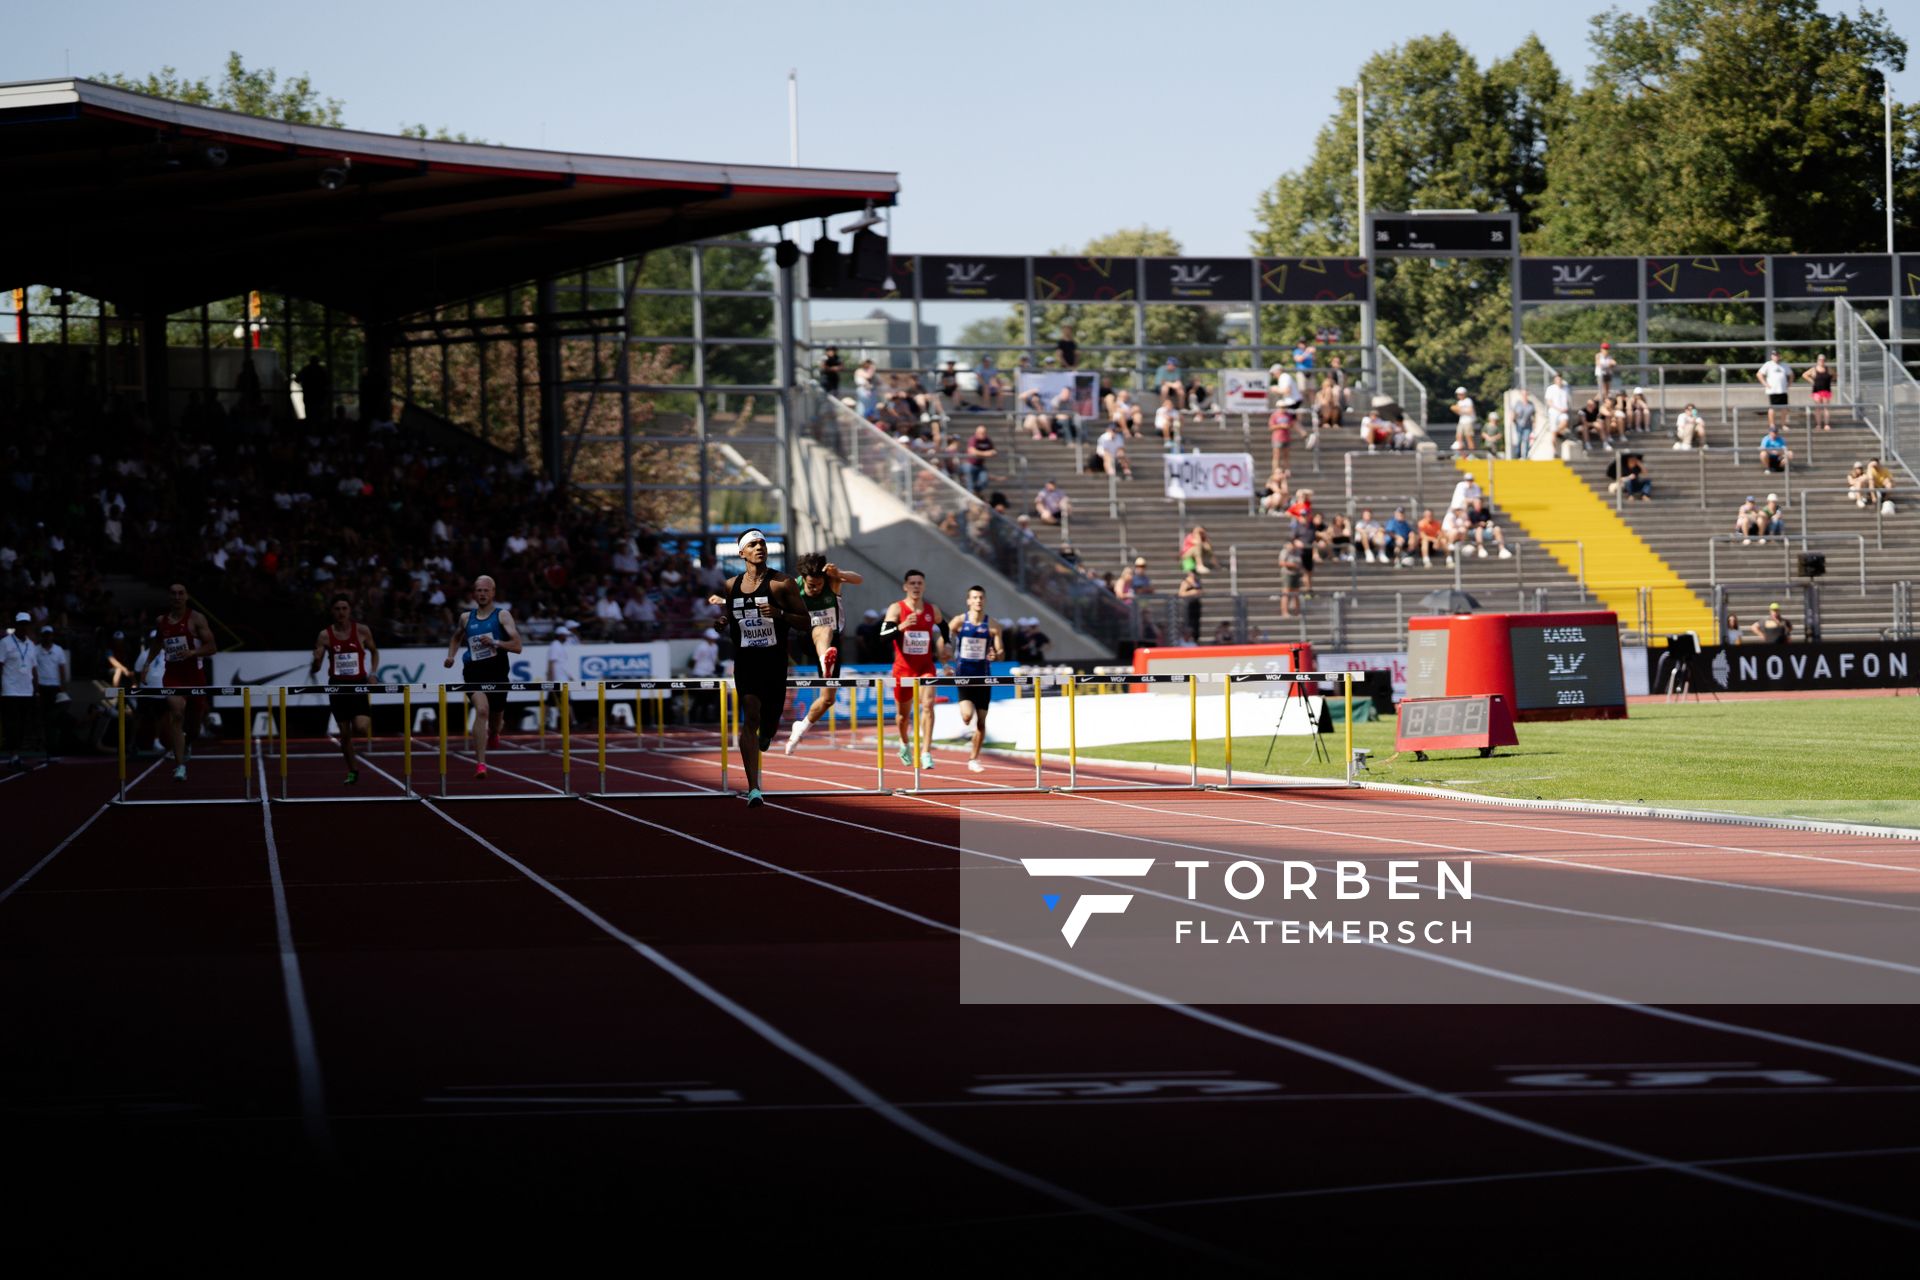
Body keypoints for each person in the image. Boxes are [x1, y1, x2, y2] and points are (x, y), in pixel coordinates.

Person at [705, 529, 807, 805]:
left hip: (774, 661)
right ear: (742, 553)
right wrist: (723, 622)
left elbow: (806, 621)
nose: (759, 547)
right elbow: (734, 612)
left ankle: (768, 734)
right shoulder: (730, 585)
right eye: (753, 544)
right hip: (746, 660)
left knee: (770, 721)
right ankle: (753, 788)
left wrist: (781, 614)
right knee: (750, 715)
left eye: (762, 542)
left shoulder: (781, 583)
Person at [442, 575, 522, 779]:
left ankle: (494, 733)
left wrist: (496, 643)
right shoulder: (466, 618)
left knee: (495, 720)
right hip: (474, 672)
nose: (483, 593)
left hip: (498, 672)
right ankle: (480, 763)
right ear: (474, 594)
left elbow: (517, 646)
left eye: (486, 590)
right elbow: (456, 637)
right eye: (479, 590)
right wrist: (451, 656)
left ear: (493, 593)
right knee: (482, 710)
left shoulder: (502, 615)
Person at [784, 553, 864, 754]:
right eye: (812, 585)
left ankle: (800, 727)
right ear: (804, 579)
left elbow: (859, 579)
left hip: (832, 646)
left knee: (828, 699)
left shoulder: (832, 581)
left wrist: (840, 573)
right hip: (806, 638)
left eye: (819, 585)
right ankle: (824, 661)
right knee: (823, 629)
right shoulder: (794, 586)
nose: (816, 589)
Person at [309, 593, 379, 784]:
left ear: (350, 610)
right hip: (338, 688)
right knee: (344, 734)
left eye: (344, 608)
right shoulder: (325, 635)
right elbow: (316, 668)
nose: (341, 612)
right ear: (332, 611)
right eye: (337, 609)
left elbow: (374, 652)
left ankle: (352, 753)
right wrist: (315, 660)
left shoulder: (362, 631)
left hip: (358, 686)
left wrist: (373, 673)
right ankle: (353, 770)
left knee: (362, 728)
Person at [151, 583, 216, 782]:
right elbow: (157, 642)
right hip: (173, 676)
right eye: (173, 594)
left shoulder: (197, 619)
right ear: (169, 598)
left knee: (194, 727)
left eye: (181, 594)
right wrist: (146, 664)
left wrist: (193, 652)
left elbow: (212, 647)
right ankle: (180, 766)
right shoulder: (161, 621)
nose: (177, 597)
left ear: (186, 597)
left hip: (194, 676)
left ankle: (188, 744)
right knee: (177, 714)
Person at [883, 568, 946, 770]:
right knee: (903, 716)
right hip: (903, 669)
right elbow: (883, 636)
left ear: (924, 586)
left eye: (919, 583)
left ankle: (926, 752)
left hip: (926, 667)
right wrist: (900, 627)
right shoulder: (896, 608)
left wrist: (948, 643)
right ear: (905, 586)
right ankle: (904, 743)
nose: (916, 587)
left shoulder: (932, 610)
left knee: (928, 705)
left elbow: (944, 628)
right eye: (912, 583)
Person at [946, 585, 1004, 774]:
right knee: (966, 716)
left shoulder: (993, 625)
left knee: (981, 722)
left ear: (984, 600)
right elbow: (944, 640)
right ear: (968, 601)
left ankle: (973, 758)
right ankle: (969, 734)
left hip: (983, 678)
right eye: (975, 597)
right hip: (963, 676)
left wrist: (996, 654)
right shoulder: (959, 622)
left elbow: (1001, 652)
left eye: (981, 597)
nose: (978, 600)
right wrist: (945, 660)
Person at [1, 612, 37, 769]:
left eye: (26, 624)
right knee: (11, 724)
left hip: (27, 691)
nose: (24, 627)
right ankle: (13, 755)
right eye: (21, 623)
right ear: (15, 625)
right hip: (10, 690)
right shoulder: (5, 642)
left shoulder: (32, 645)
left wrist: (37, 689)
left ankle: (16, 755)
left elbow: (34, 669)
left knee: (22, 725)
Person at [32, 625, 69, 761]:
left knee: (53, 719)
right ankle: (43, 746)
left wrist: (63, 688)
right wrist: (35, 689)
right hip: (41, 688)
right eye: (45, 635)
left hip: (55, 688)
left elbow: (62, 669)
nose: (48, 637)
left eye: (50, 635)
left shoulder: (58, 650)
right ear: (42, 636)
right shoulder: (35, 650)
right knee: (42, 718)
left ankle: (53, 747)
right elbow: (33, 669)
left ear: (53, 635)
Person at [544, 621, 578, 730]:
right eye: (565, 635)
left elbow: (561, 664)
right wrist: (551, 678)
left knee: (552, 702)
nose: (567, 637)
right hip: (558, 679)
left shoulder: (559, 646)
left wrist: (569, 675)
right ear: (560, 635)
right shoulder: (555, 646)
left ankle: (546, 722)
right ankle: (572, 722)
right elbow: (551, 662)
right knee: (565, 701)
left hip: (561, 678)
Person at [1756, 350, 1792, 430]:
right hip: (1773, 391)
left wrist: (1789, 384)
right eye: (1774, 355)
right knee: (1772, 408)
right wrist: (1765, 384)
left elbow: (1791, 374)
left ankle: (1783, 424)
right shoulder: (1768, 365)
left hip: (1782, 390)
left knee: (1784, 408)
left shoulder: (1784, 365)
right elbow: (1759, 374)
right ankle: (1772, 424)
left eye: (1777, 355)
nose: (1776, 357)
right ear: (1772, 356)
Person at [1800, 354, 1835, 430]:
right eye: (1820, 360)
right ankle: (1818, 424)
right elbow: (1804, 375)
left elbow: (1834, 375)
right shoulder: (1814, 369)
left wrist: (1829, 381)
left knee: (1826, 408)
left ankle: (1826, 424)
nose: (1822, 361)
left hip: (1826, 390)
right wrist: (1812, 381)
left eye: (1823, 360)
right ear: (1817, 361)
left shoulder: (1828, 369)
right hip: (1817, 391)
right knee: (1818, 408)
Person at [1278, 537, 1306, 617]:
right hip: (1287, 574)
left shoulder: (1297, 552)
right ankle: (1284, 612)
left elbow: (1300, 562)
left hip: (1296, 574)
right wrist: (1292, 565)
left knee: (1296, 593)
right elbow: (1281, 563)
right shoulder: (1285, 552)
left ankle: (1297, 612)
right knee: (1286, 593)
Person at [1177, 569, 1203, 642]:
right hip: (1188, 605)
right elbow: (1181, 594)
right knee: (1188, 624)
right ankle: (1187, 640)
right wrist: (1192, 592)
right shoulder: (1185, 582)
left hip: (1196, 605)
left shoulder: (1197, 582)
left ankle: (1195, 639)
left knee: (1196, 624)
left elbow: (1201, 591)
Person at [1509, 389, 1535, 460]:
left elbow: (1534, 415)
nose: (1525, 396)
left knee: (1526, 440)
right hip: (1519, 425)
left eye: (1526, 394)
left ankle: (1525, 456)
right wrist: (1512, 418)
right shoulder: (1518, 403)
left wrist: (1535, 424)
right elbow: (1514, 412)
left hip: (1528, 425)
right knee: (1519, 440)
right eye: (1523, 394)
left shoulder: (1531, 404)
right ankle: (1518, 455)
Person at [1450, 388, 1476, 453]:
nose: (1459, 396)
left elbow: (1470, 411)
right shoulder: (1459, 402)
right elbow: (1458, 412)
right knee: (1458, 437)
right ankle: (1461, 454)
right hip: (1461, 421)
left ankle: (1472, 453)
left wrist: (1459, 409)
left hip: (1468, 421)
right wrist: (1456, 409)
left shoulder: (1468, 400)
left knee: (1468, 437)